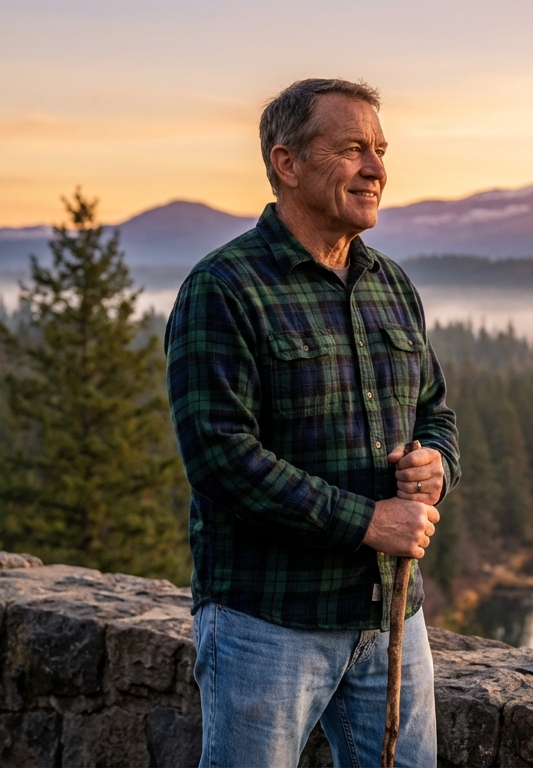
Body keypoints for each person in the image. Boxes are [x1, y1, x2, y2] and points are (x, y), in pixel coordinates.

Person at [164, 78, 459, 768]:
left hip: (390, 617)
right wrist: (367, 521)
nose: (376, 169)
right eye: (353, 148)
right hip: (265, 623)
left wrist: (436, 467)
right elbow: (221, 458)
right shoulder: (225, 288)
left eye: (381, 151)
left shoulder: (391, 285)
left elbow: (435, 414)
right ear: (287, 163)